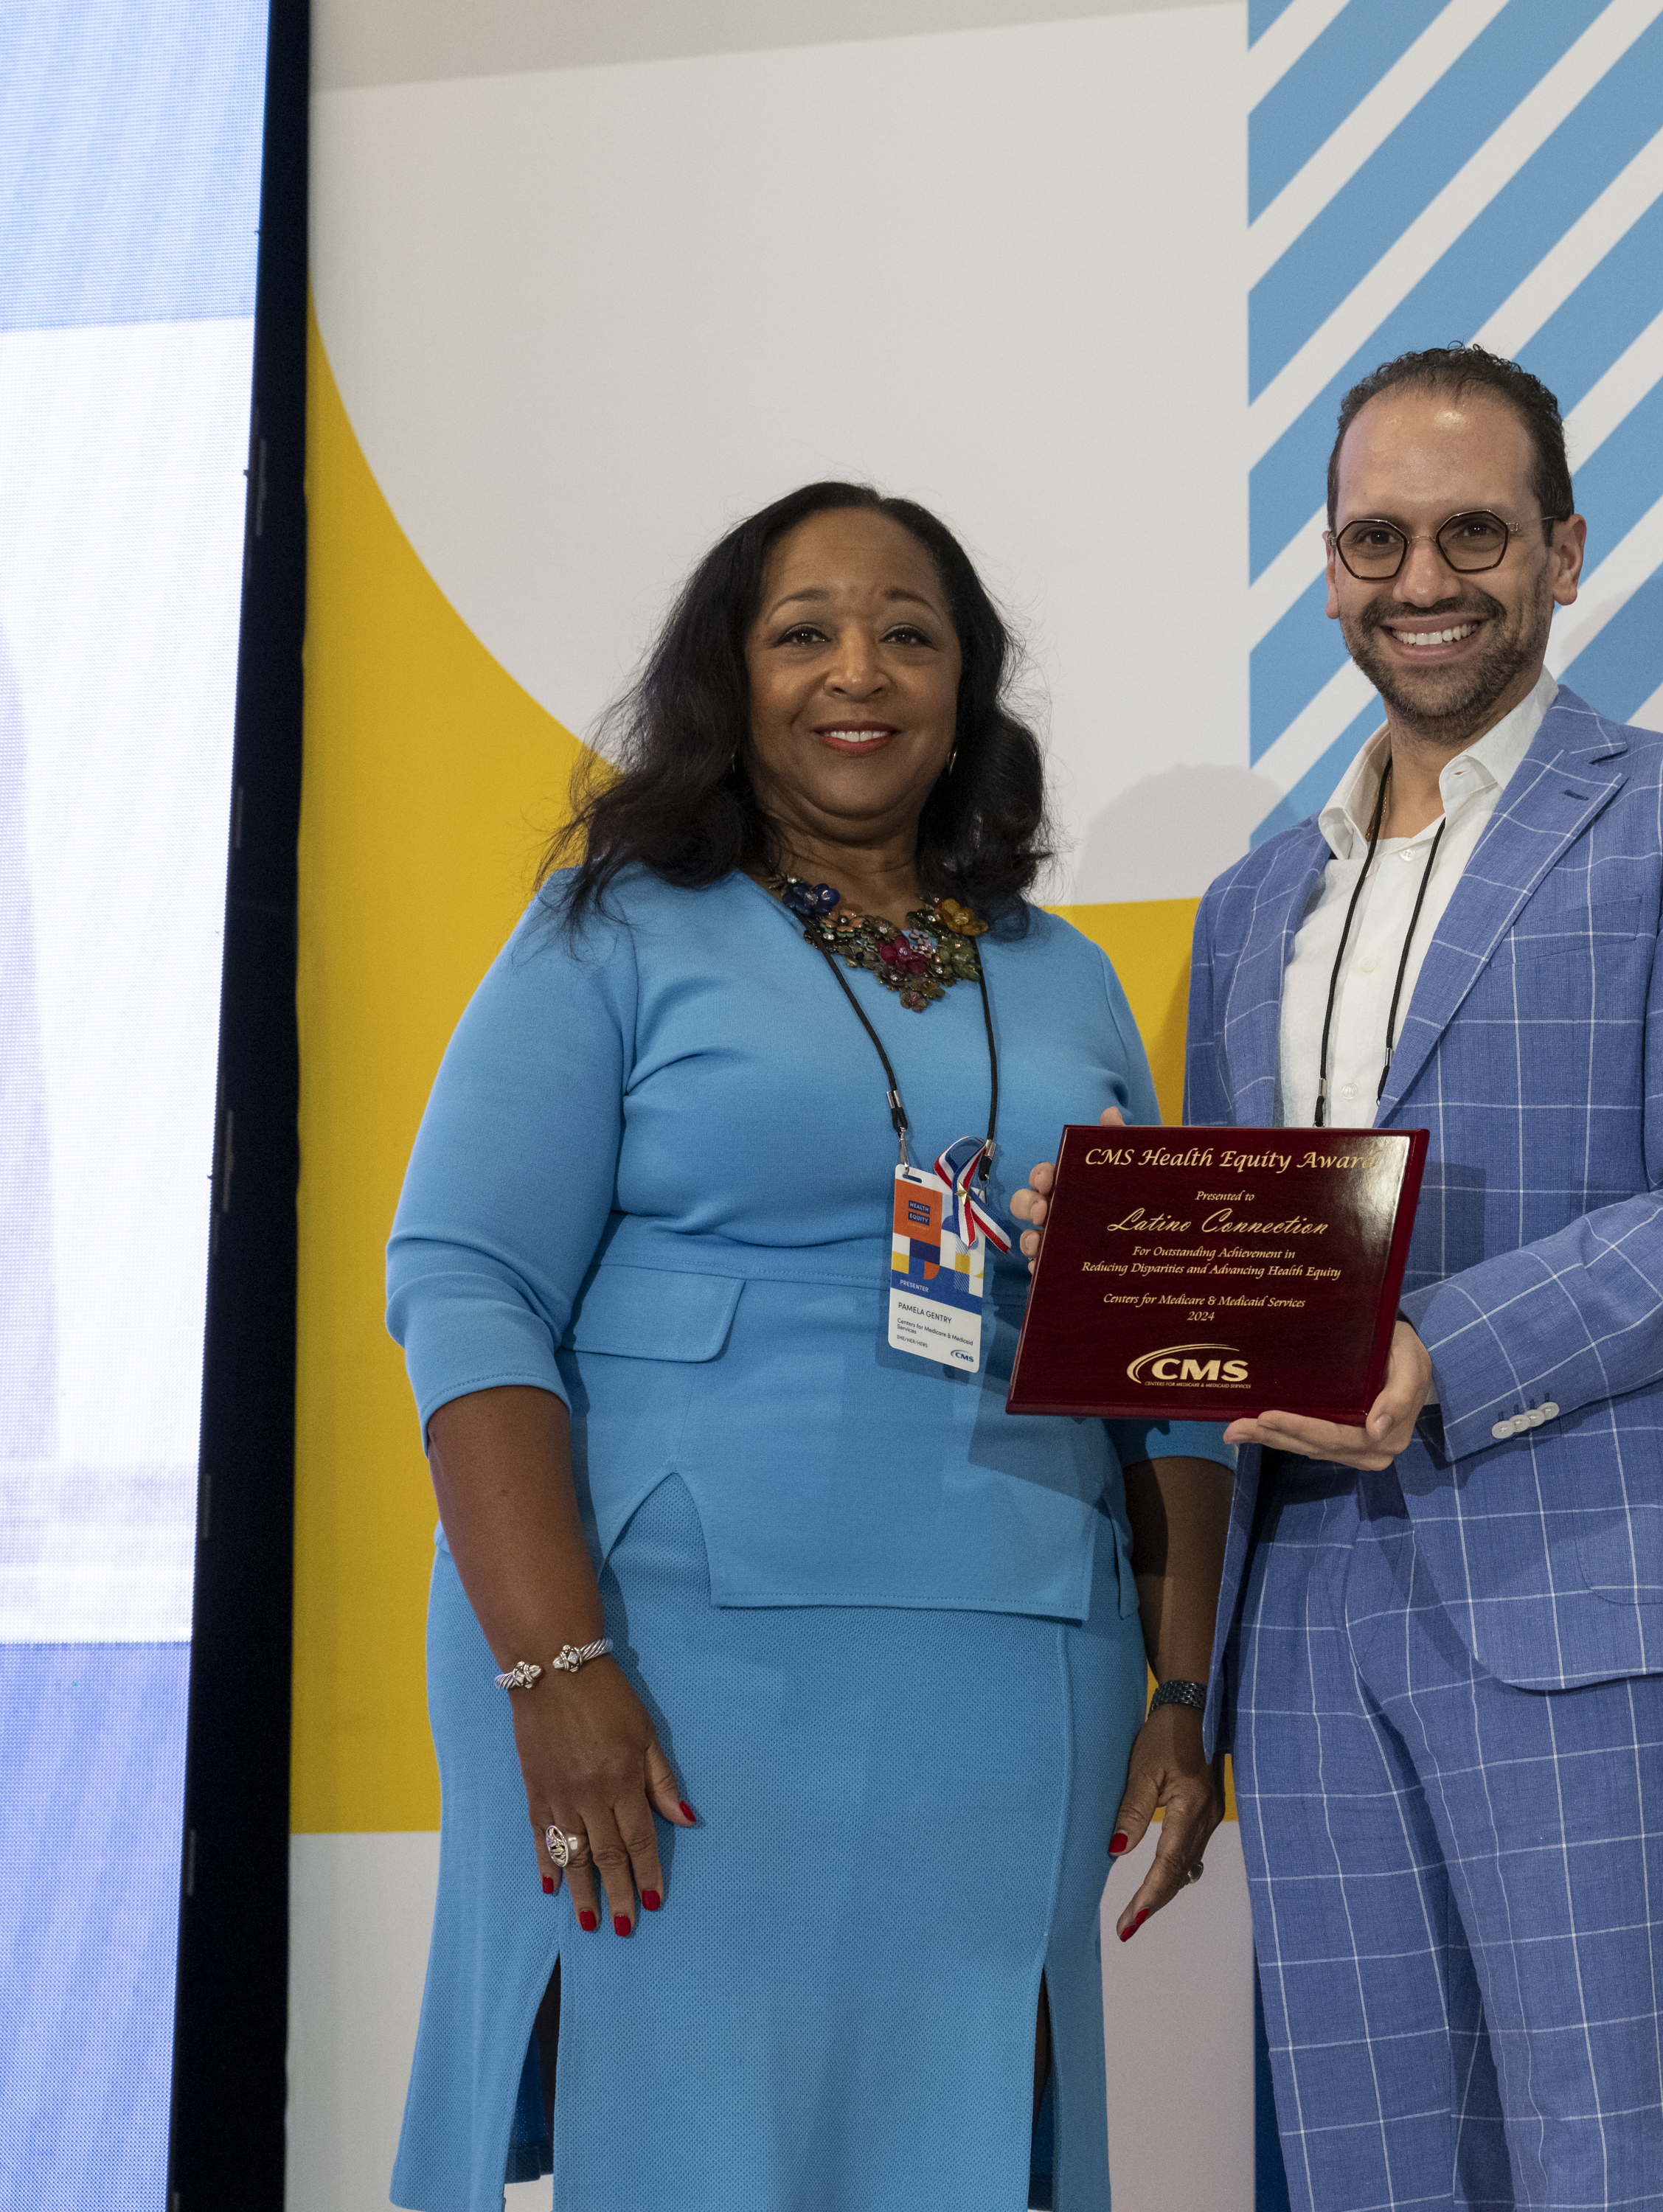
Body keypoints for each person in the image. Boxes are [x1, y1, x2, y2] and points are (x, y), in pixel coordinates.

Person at [1044, 346, 1663, 2210]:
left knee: (1610, 2162)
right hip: (1306, 1621)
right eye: (1378, 538)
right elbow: (1230, 1261)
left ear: (1563, 552)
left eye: (1475, 531)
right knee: (1363, 2173)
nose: (1425, 579)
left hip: (1593, 1597)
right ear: (1325, 569)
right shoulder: (1255, 903)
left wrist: (1437, 1348)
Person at [381, 482, 1234, 2212]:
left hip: (1013, 1674)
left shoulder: (1066, 979)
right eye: (806, 631)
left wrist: (1185, 1683)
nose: (862, 670)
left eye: (911, 632)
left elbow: (1176, 1368)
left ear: (967, 689)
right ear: (731, 678)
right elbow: (465, 1284)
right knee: (684, 2146)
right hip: (665, 1665)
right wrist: (555, 1669)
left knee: (955, 2154)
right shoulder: (607, 932)